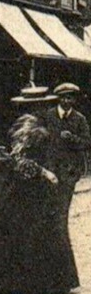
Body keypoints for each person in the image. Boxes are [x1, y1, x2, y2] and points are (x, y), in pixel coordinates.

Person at [0, 84, 79, 294]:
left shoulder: (27, 124)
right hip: (26, 187)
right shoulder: (32, 127)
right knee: (31, 230)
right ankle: (23, 283)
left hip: (15, 184)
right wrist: (45, 173)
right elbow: (21, 161)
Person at [44, 82, 91, 216]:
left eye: (69, 97)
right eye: (63, 97)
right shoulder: (49, 116)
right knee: (50, 205)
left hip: (70, 169)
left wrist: (72, 138)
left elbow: (87, 142)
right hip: (51, 168)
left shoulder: (79, 119)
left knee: (64, 207)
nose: (66, 101)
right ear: (58, 98)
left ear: (74, 100)